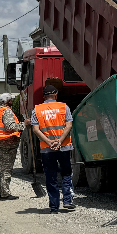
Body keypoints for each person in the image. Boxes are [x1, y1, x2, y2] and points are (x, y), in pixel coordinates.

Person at [31, 83, 76, 212]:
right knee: (66, 173)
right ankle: (68, 201)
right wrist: (59, 141)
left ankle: (54, 206)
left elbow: (35, 129)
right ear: (55, 95)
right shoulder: (64, 107)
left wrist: (49, 142)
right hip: (64, 147)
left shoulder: (37, 110)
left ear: (44, 97)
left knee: (51, 176)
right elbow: (68, 126)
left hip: (47, 148)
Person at [0, 93, 25, 200]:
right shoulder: (6, 111)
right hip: (6, 143)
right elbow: (10, 126)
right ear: (8, 101)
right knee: (6, 169)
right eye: (11, 100)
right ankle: (5, 193)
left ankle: (0, 191)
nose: (12, 101)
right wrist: (24, 125)